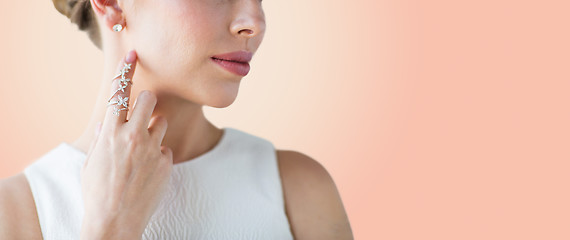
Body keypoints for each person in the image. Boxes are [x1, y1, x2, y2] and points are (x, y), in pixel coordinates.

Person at [0, 0, 353, 239]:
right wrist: (110, 228)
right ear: (111, 3)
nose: (254, 23)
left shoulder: (297, 188)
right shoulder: (16, 213)